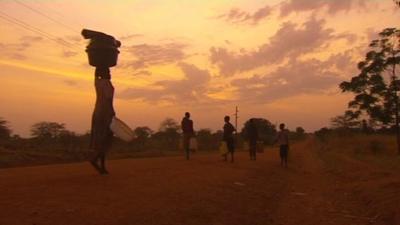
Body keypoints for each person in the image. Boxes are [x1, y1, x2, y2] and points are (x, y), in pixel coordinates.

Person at [89, 67, 115, 175]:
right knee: (106, 138)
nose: (110, 73)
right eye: (108, 71)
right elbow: (108, 101)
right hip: (105, 113)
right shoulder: (106, 84)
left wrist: (98, 66)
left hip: (98, 112)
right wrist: (112, 113)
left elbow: (95, 76)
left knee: (100, 137)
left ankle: (102, 167)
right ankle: (95, 160)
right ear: (104, 74)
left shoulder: (98, 82)